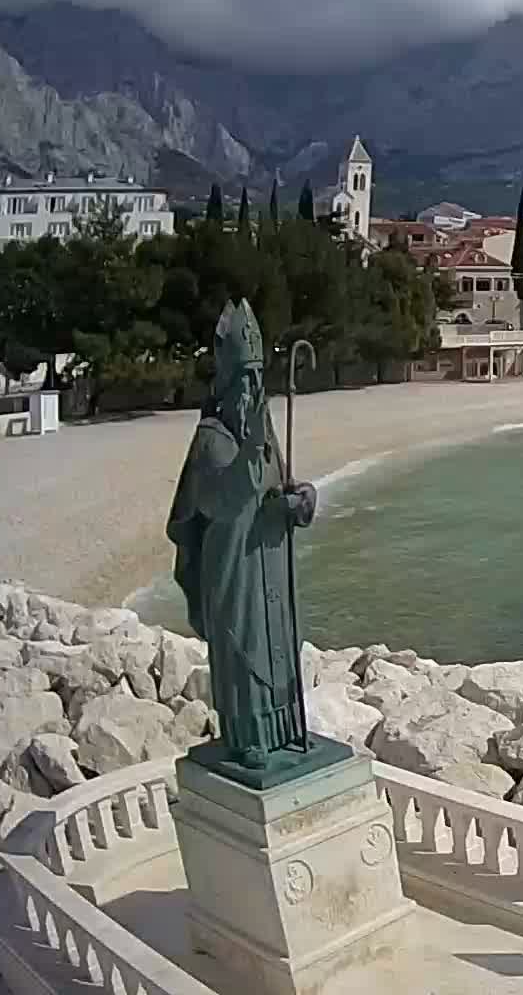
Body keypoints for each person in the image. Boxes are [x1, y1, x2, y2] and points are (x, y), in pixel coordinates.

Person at [166, 299, 319, 772]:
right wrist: (254, 459)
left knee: (278, 649)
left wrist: (303, 501)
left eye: (258, 379)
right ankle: (248, 735)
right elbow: (225, 502)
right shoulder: (212, 439)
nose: (254, 389)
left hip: (268, 564)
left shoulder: (265, 437)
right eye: (246, 380)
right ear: (228, 383)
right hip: (235, 571)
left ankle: (284, 729)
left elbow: (285, 485)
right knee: (244, 651)